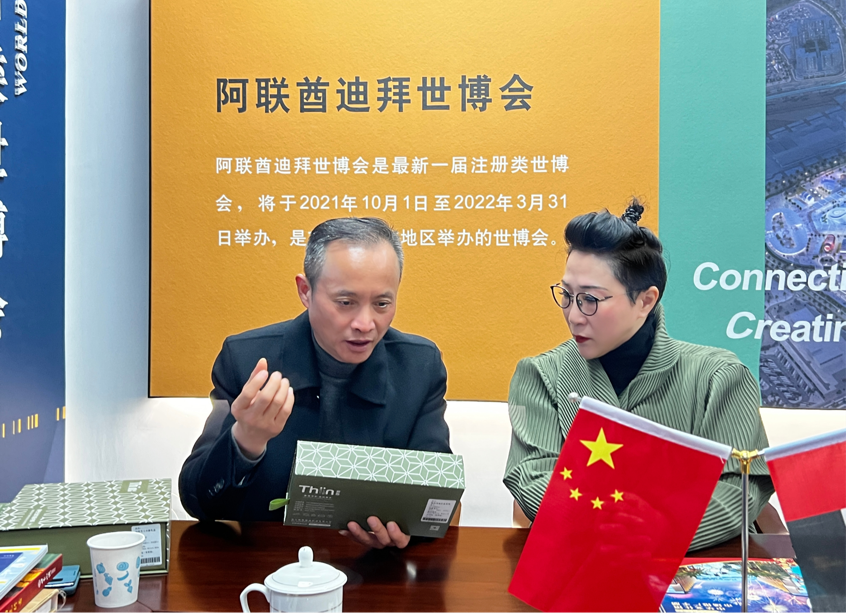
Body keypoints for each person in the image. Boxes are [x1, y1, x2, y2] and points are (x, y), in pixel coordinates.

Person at [503, 199, 774, 550]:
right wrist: (607, 522)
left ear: (646, 300)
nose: (574, 315)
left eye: (590, 300)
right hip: (582, 563)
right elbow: (530, 475)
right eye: (567, 295)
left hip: (691, 566)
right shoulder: (541, 375)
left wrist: (658, 528)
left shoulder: (719, 377)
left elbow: (742, 486)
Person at [179, 217, 451, 549]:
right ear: (305, 291)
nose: (365, 324)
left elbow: (437, 495)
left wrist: (407, 531)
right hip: (266, 564)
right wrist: (245, 440)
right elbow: (198, 501)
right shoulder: (247, 360)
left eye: (382, 304)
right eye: (345, 302)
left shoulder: (419, 367)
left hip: (374, 566)